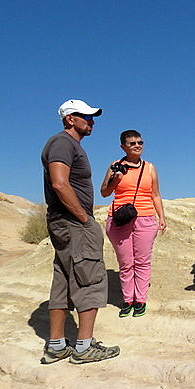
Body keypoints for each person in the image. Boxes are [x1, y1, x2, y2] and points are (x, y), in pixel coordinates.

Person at [39, 99, 120, 365]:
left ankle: (56, 346)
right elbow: (59, 184)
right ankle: (84, 347)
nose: (91, 121)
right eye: (86, 116)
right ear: (70, 119)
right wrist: (84, 218)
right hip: (74, 223)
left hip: (64, 222)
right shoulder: (63, 143)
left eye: (92, 117)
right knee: (90, 278)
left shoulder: (65, 144)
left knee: (63, 278)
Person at [100, 130, 167, 317]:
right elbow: (104, 192)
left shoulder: (150, 168)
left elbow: (155, 194)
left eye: (140, 142)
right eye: (132, 143)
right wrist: (116, 179)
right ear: (123, 147)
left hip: (145, 218)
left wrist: (161, 217)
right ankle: (128, 300)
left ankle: (140, 300)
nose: (137, 146)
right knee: (125, 262)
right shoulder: (115, 166)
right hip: (119, 219)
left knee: (142, 261)